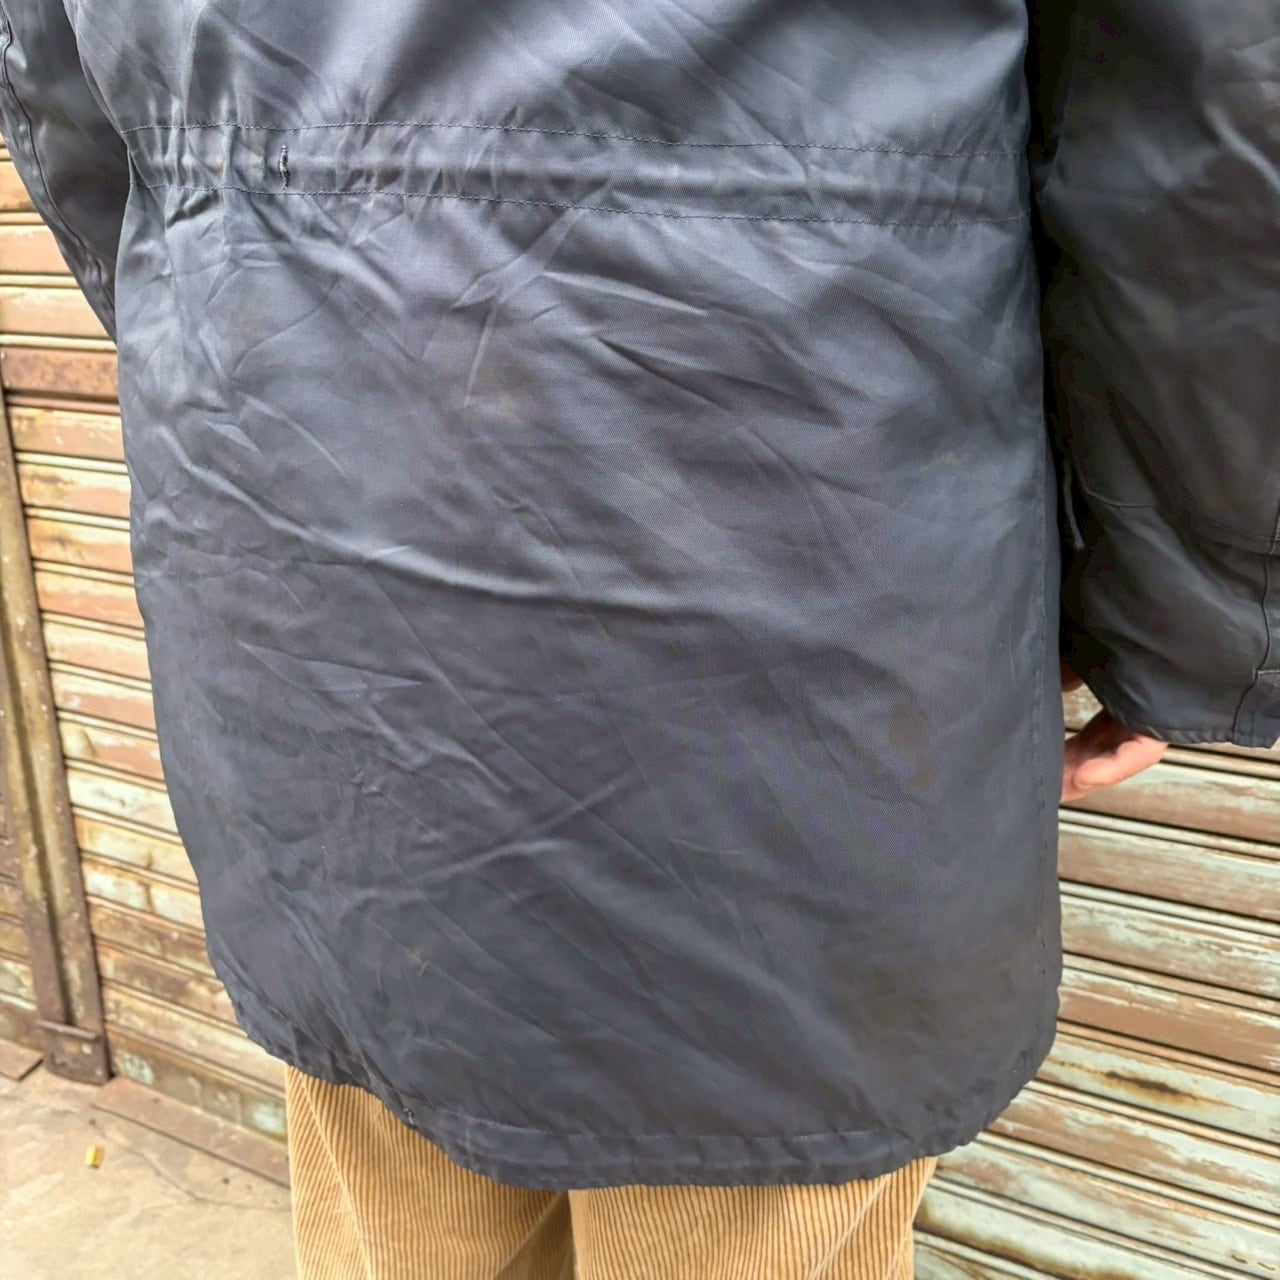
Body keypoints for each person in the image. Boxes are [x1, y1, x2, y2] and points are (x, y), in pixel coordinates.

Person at [2, 2, 1274, 1276]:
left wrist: (276, 351)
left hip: (308, 574)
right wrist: (1186, 610)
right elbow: (1202, 127)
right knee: (757, 1168)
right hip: (808, 595)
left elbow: (71, 112)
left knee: (401, 1201)